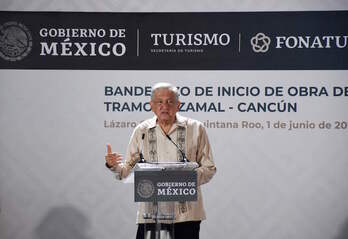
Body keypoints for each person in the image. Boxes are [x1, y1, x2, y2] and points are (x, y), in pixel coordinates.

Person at [105, 82, 216, 239]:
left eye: (170, 101)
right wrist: (113, 165)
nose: (165, 106)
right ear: (151, 105)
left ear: (178, 105)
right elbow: (126, 171)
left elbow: (209, 168)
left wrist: (182, 179)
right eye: (159, 102)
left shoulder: (196, 128)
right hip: (151, 215)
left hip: (187, 215)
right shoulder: (141, 130)